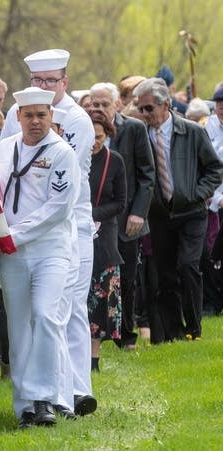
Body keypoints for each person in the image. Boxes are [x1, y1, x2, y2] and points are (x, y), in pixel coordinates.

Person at [3, 49, 96, 416]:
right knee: (31, 319)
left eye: (50, 81)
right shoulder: (16, 120)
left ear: (64, 82)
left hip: (67, 226)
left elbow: (59, 192)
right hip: (17, 234)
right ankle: (42, 398)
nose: (43, 87)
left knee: (61, 311)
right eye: (37, 81)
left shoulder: (78, 121)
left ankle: (71, 390)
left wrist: (15, 232)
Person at [0, 87, 80, 428]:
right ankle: (24, 405)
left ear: (51, 116)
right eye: (28, 115)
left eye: (42, 115)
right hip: (11, 253)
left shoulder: (61, 152)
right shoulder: (5, 147)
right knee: (19, 327)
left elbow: (57, 209)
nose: (35, 121)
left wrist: (12, 236)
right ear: (18, 117)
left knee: (44, 316)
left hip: (49, 250)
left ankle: (44, 398)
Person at [134, 77, 222, 342]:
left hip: (191, 212)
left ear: (166, 105)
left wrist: (197, 194)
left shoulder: (192, 131)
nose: (144, 114)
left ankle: (194, 327)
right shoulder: (141, 135)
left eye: (149, 108)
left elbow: (215, 169)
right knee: (166, 275)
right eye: (141, 109)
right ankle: (173, 331)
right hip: (160, 214)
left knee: (188, 265)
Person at [89, 82, 155, 350]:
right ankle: (95, 335)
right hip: (94, 220)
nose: (99, 109)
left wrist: (139, 212)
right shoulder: (83, 130)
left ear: (117, 104)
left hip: (127, 216)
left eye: (104, 104)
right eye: (95, 104)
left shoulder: (135, 129)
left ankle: (126, 334)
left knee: (127, 279)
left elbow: (147, 174)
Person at [87, 112, 127, 372]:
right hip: (76, 233)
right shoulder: (73, 157)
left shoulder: (115, 162)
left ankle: (94, 359)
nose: (94, 143)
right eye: (90, 138)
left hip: (105, 235)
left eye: (99, 138)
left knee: (100, 297)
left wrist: (93, 214)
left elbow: (121, 202)